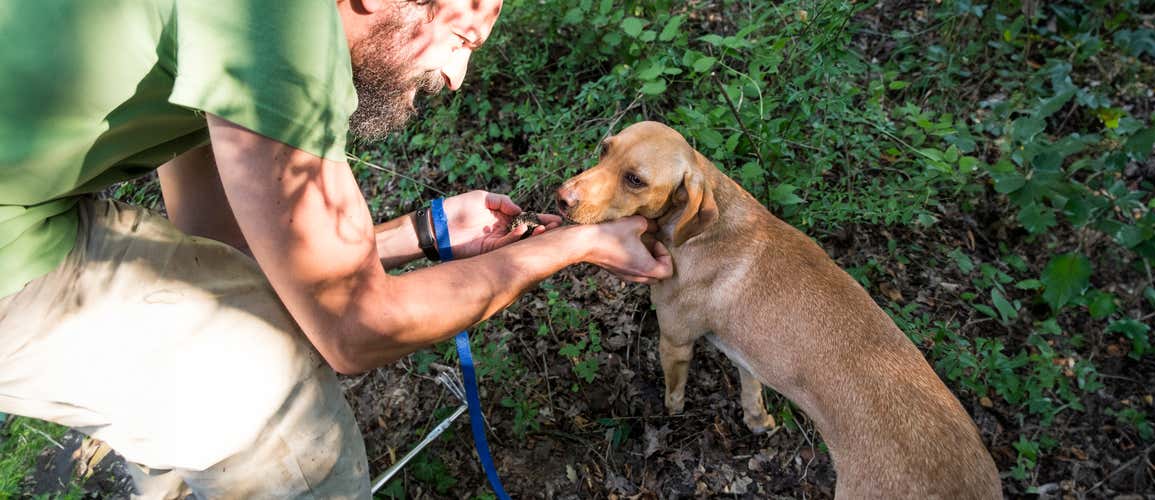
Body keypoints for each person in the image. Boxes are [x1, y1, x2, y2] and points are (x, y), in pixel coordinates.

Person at [0, 0, 673, 497]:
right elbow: (356, 332)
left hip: (29, 212)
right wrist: (572, 246)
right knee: (282, 426)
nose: (458, 76)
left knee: (205, 370)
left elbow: (227, 248)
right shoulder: (278, 24)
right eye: (461, 39)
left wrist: (422, 234)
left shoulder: (227, 39)